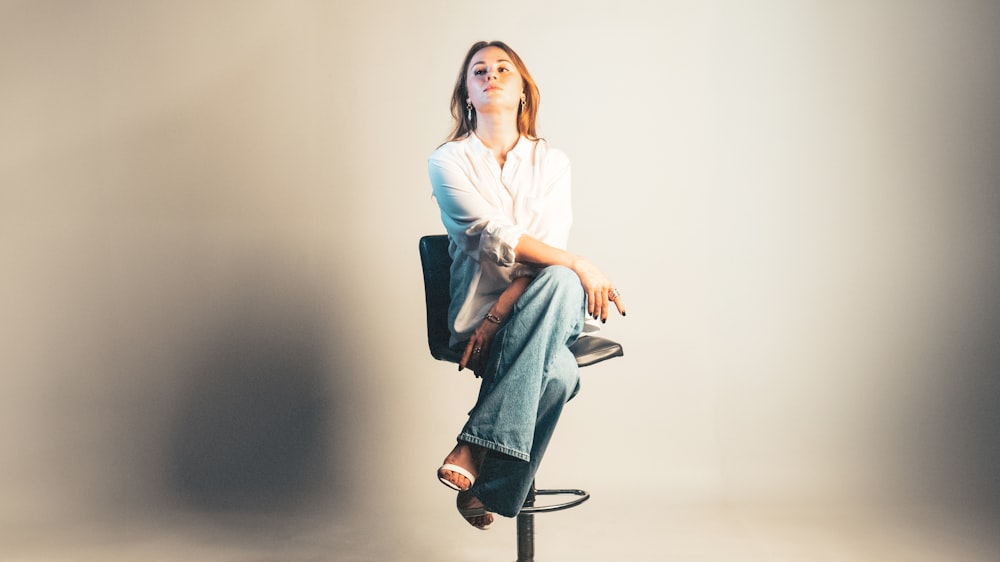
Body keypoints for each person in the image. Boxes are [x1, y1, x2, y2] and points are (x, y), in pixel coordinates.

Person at [427, 40, 626, 530]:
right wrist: (581, 263)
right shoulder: (448, 161)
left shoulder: (551, 162)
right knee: (559, 373)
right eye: (479, 71)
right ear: (467, 94)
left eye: (502, 69)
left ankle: (476, 446)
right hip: (474, 320)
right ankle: (494, 484)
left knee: (558, 280)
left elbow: (544, 254)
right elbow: (491, 234)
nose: (490, 75)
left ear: (522, 93)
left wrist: (506, 314)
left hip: (540, 312)